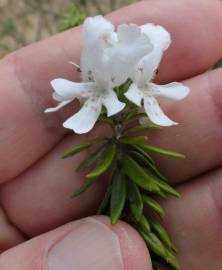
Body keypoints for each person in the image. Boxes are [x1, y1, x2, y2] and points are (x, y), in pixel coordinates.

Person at [0, 0, 222, 269]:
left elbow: (130, 82)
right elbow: (95, 80)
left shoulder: (130, 85)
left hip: (123, 92)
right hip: (105, 91)